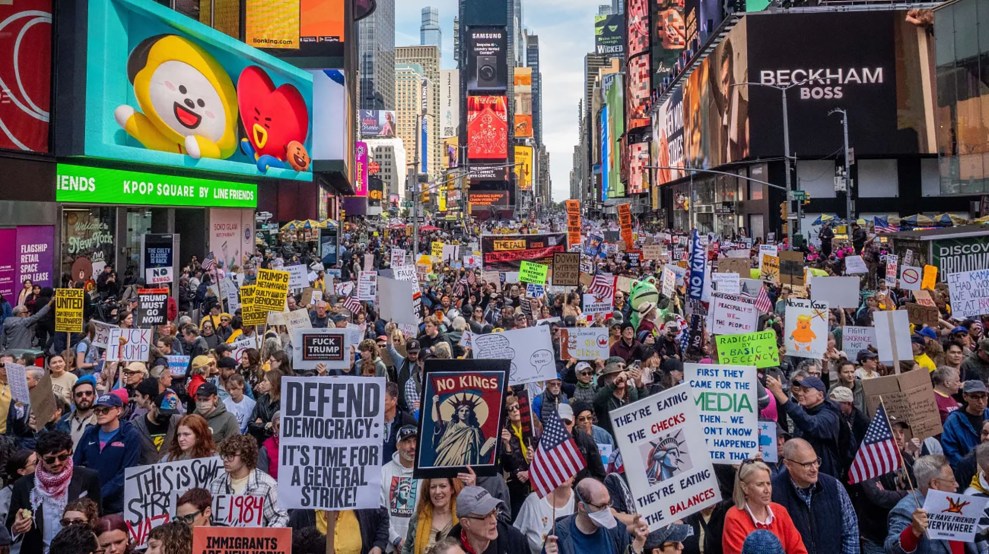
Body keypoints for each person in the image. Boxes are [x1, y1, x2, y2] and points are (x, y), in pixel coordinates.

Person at [7, 431, 101, 554]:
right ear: (40, 457)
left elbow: (98, 518)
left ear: (69, 452)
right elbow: (10, 526)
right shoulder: (23, 485)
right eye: (50, 459)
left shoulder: (88, 478)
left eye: (62, 457)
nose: (57, 463)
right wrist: (16, 529)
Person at [771, 439, 858, 554]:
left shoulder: (834, 487)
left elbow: (850, 531)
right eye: (806, 464)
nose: (814, 468)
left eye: (816, 461)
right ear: (788, 464)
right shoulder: (774, 492)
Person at [884, 454, 977, 553]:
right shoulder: (906, 510)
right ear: (935, 484)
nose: (956, 485)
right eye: (952, 481)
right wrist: (913, 532)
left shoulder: (952, 502)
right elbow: (891, 548)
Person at [543, 478, 648, 554]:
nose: (607, 510)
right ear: (582, 507)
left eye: (608, 504)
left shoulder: (615, 529)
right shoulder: (560, 535)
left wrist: (638, 544)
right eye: (601, 506)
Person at [722, 459, 807, 553]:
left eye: (768, 483)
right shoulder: (734, 517)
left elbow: (798, 550)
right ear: (744, 487)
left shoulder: (780, 511)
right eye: (760, 485)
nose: (767, 490)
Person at [765, 375, 841, 478]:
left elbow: (810, 424)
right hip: (802, 473)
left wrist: (779, 394)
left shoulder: (830, 415)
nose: (800, 393)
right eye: (799, 390)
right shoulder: (806, 410)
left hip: (822, 477)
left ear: (820, 395)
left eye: (806, 391)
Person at [208, 435, 288, 527]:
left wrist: (264, 538)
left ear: (245, 456)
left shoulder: (267, 485)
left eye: (231, 455)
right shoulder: (216, 484)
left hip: (254, 540)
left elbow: (279, 517)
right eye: (224, 455)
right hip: (223, 540)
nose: (225, 460)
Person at [448, 486, 527, 554]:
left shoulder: (515, 541)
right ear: (466, 523)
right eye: (486, 516)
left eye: (494, 512)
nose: (494, 521)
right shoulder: (449, 548)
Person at [382, 425, 423, 552]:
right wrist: (396, 539)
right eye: (407, 441)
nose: (412, 447)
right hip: (390, 547)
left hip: (419, 543)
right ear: (398, 445)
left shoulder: (425, 473)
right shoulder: (384, 472)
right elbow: (380, 511)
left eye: (416, 441)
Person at [430, 393, 497, 467]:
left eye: (467, 411)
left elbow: (479, 454)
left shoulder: (475, 431)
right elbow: (436, 420)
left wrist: (489, 448)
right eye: (461, 411)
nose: (464, 413)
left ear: (470, 413)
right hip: (446, 462)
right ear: (457, 413)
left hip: (467, 463)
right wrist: (435, 403)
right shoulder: (449, 425)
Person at [512, 478, 575, 554]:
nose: (564, 474)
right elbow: (514, 538)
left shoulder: (579, 503)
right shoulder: (534, 501)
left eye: (567, 469)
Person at [402, 478, 464, 554]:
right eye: (433, 487)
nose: (437, 491)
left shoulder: (463, 519)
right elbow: (406, 548)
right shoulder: (417, 517)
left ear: (452, 489)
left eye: (443, 486)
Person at [941, 380, 989, 468]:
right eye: (975, 397)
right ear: (965, 396)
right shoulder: (953, 421)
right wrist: (967, 468)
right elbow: (951, 452)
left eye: (984, 396)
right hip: (967, 471)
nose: (981, 401)